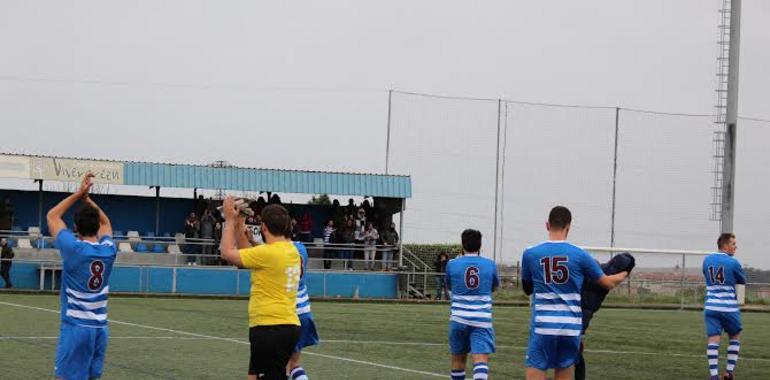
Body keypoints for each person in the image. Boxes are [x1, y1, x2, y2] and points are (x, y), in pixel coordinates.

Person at [520, 206, 628, 380]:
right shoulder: (580, 255)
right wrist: (624, 273)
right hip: (570, 328)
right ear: (568, 227)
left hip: (543, 326)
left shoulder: (531, 253)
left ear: (547, 225)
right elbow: (607, 283)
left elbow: (527, 289)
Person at [219, 198, 301, 380]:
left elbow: (226, 253)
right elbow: (249, 257)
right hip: (287, 325)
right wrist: (240, 222)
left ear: (263, 227)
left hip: (269, 327)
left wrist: (230, 220)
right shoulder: (291, 251)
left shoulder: (267, 253)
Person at [46, 173, 117, 380]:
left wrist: (79, 194)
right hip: (100, 329)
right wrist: (88, 199)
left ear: (75, 227)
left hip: (76, 328)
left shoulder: (73, 248)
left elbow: (52, 216)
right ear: (97, 226)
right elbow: (107, 223)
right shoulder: (108, 250)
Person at [445, 229, 498, 380]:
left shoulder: (452, 264)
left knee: (458, 361)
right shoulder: (490, 264)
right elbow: (494, 287)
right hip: (481, 319)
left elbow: (449, 287)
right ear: (480, 246)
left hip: (458, 319)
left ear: (462, 245)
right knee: (480, 360)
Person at [574, 252, 635, 380]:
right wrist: (626, 273)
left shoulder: (597, 269)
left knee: (569, 353)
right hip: (578, 315)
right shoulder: (608, 278)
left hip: (574, 312)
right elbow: (610, 282)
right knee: (573, 354)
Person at [703, 233, 746, 380]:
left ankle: (714, 376)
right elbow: (742, 280)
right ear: (726, 245)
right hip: (729, 308)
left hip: (711, 308)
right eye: (733, 244)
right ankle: (728, 372)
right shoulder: (733, 262)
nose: (735, 247)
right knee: (735, 336)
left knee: (713, 340)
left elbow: (707, 277)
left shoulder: (707, 260)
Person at [286, 239, 320, 380]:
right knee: (294, 363)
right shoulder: (301, 247)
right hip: (304, 311)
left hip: (286, 313)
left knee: (277, 365)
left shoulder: (278, 250)